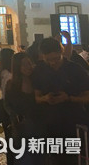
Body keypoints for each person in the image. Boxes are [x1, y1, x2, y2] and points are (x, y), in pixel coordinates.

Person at [32, 37, 89, 165]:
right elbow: (37, 97)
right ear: (43, 56)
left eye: (56, 59)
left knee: (74, 159)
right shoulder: (39, 71)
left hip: (73, 125)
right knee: (54, 159)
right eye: (49, 60)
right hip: (49, 126)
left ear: (62, 52)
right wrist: (45, 98)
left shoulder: (75, 70)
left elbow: (87, 96)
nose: (53, 63)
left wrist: (69, 98)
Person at [4, 52, 44, 165]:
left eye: (29, 63)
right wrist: (14, 117)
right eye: (24, 64)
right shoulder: (12, 85)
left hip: (39, 128)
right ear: (17, 67)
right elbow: (7, 104)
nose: (29, 67)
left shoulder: (37, 82)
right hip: (22, 130)